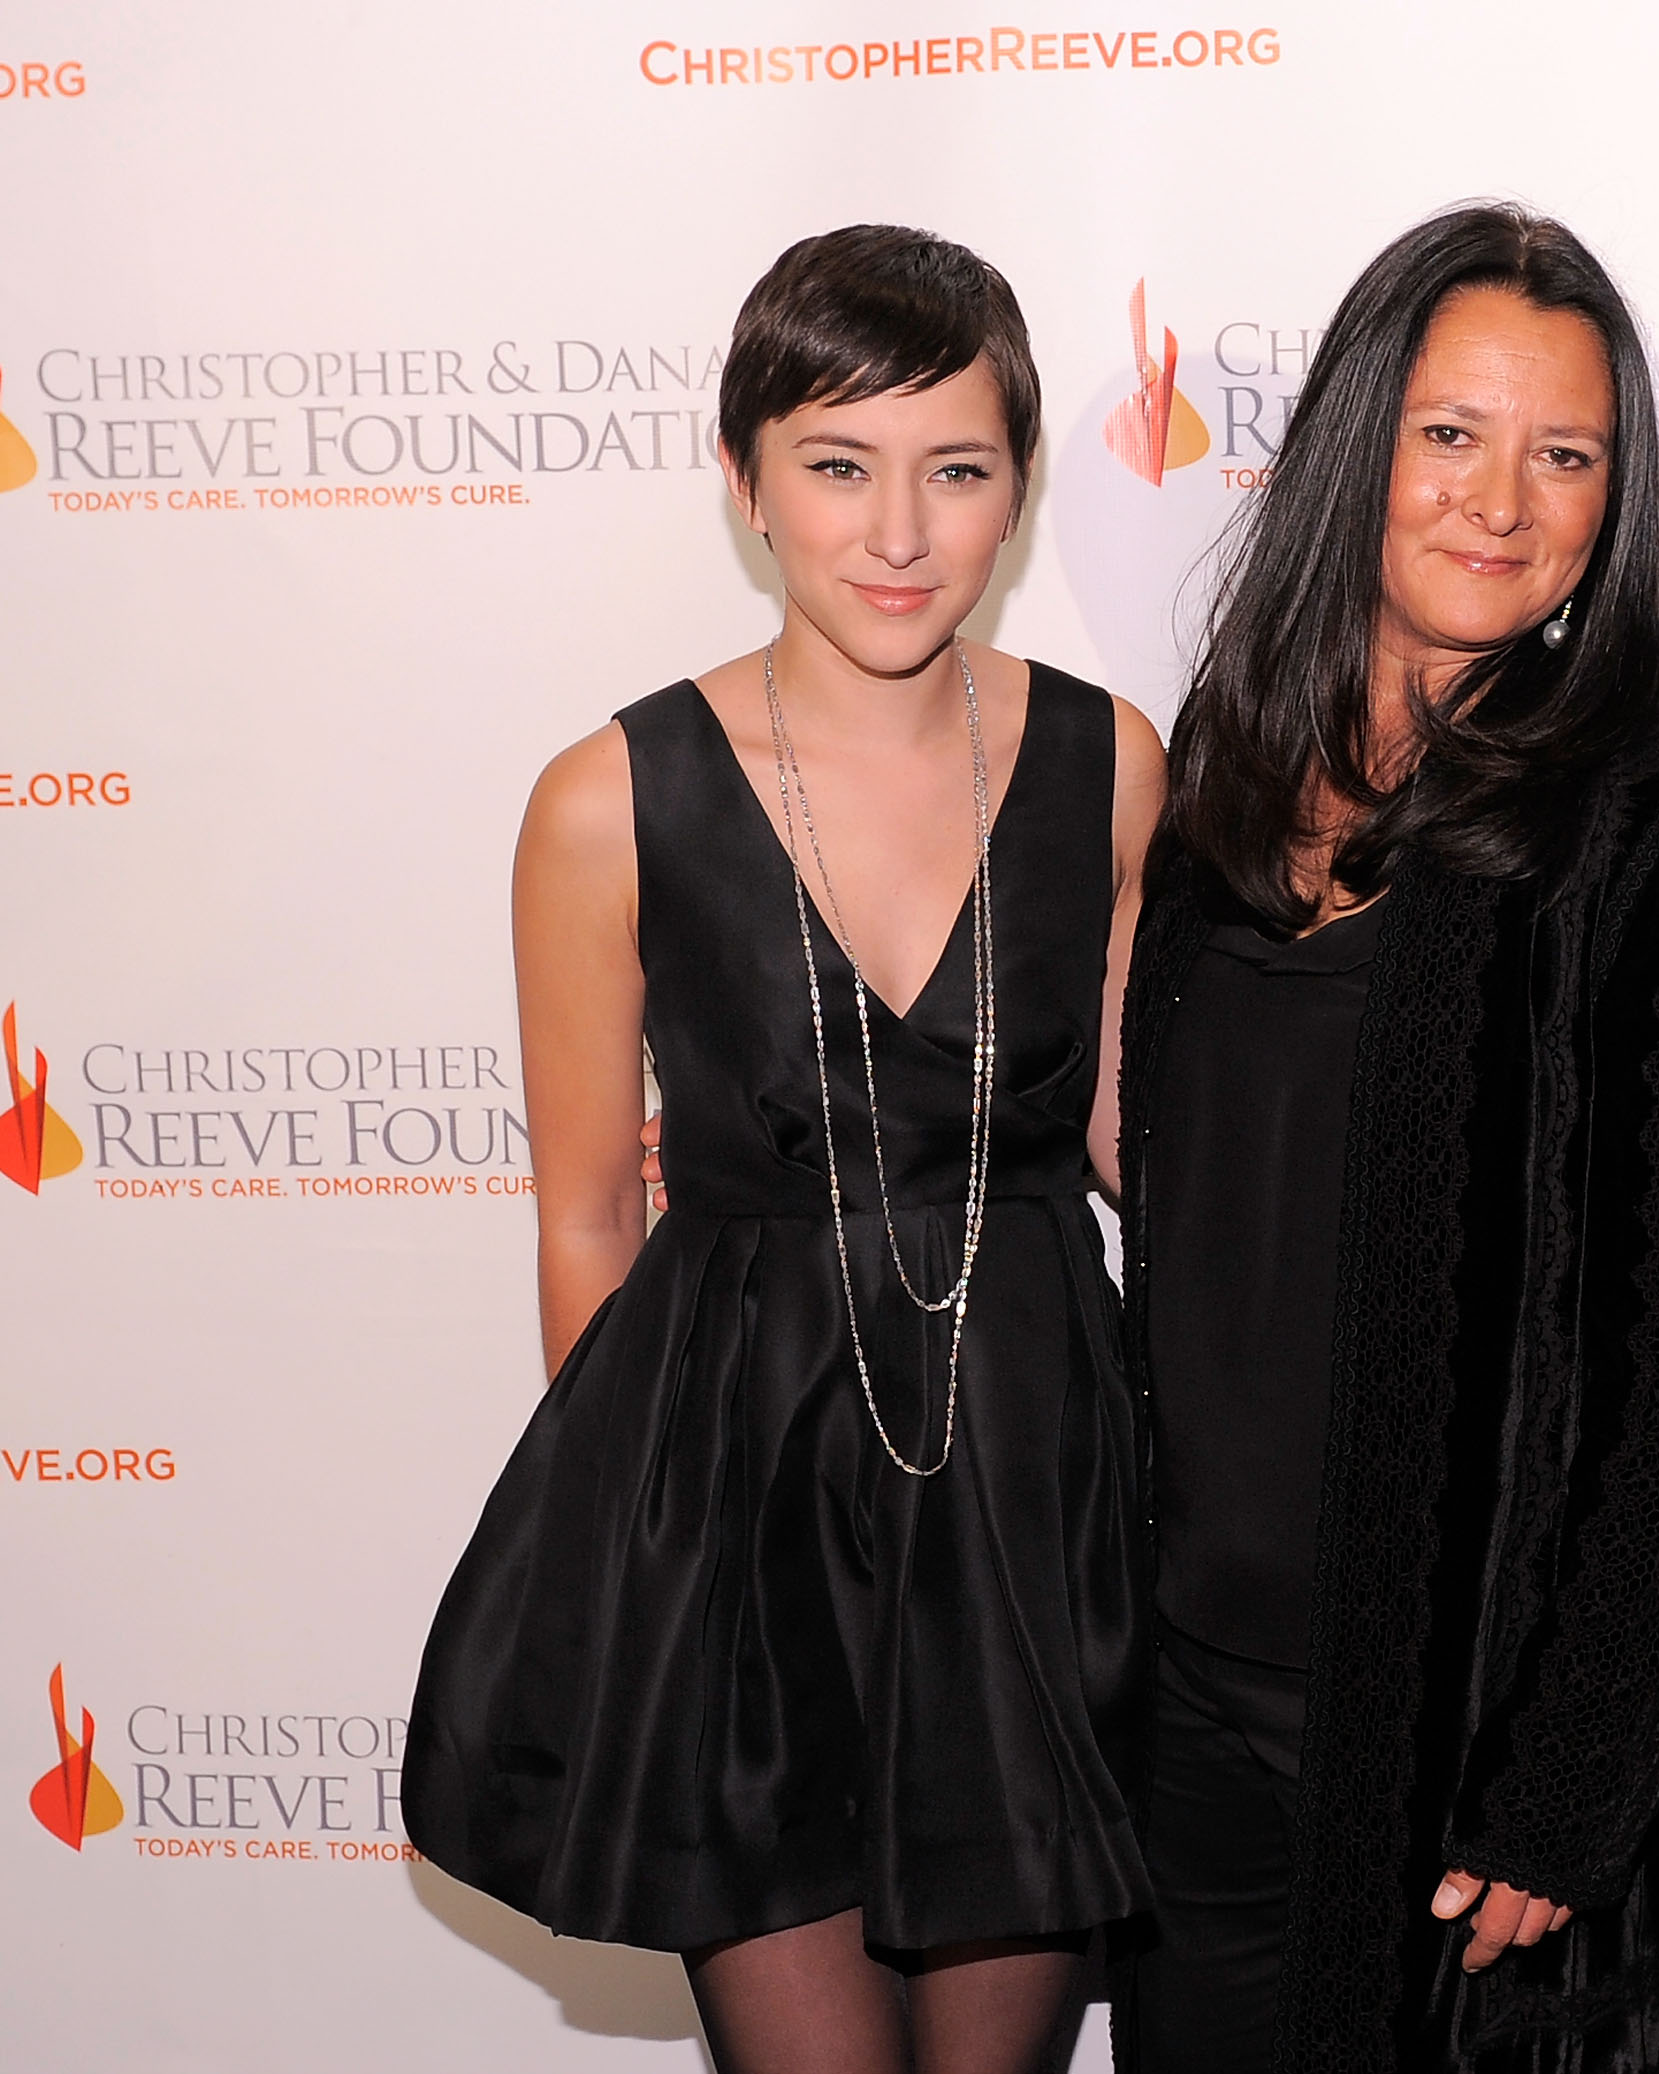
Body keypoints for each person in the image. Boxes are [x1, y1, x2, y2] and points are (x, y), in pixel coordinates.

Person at [405, 224, 1162, 2074]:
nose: (899, 532)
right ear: (745, 483)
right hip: (742, 1521)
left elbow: (1155, 1152)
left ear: (1019, 493)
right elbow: (585, 1209)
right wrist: (642, 1570)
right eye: (840, 464)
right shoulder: (609, 799)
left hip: (1032, 1516)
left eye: (957, 469)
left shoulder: (1115, 764)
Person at [1110, 204, 1659, 2074]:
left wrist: (1569, 1773)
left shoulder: (1653, 840)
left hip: (1456, 1723)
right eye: (1451, 433)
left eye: (1565, 454)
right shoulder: (1216, 780)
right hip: (1180, 1695)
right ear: (1356, 449)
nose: (1504, 497)